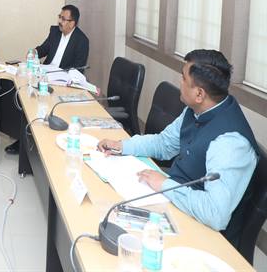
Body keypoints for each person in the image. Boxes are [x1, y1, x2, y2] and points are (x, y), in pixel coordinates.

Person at [98, 49, 258, 245]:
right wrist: (122, 146)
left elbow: (215, 214)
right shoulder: (196, 109)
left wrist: (165, 185)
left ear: (199, 94)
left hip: (203, 233)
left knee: (123, 237)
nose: (179, 82)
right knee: (107, 206)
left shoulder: (231, 143)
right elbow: (164, 144)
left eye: (183, 78)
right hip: (175, 202)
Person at [5, 4, 89, 154]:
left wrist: (63, 77)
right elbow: (43, 48)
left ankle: (38, 144)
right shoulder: (55, 32)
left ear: (72, 23)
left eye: (63, 19)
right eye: (59, 17)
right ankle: (22, 140)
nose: (60, 21)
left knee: (41, 107)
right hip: (45, 76)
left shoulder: (82, 41)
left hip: (62, 83)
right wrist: (34, 51)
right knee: (24, 98)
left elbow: (78, 69)